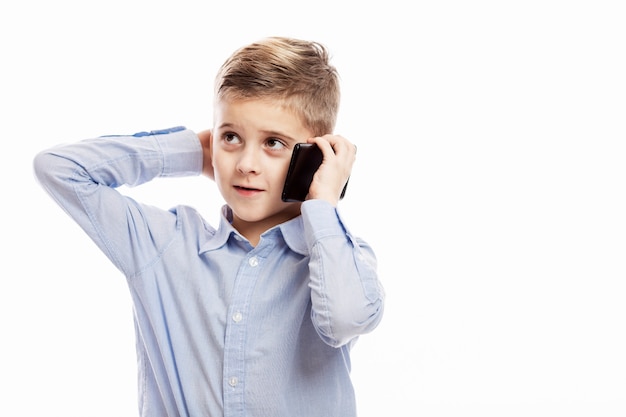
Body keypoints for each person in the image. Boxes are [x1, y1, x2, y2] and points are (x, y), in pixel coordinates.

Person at [33, 36, 385, 417]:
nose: (246, 163)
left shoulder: (338, 259)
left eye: (273, 143)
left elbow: (345, 319)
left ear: (313, 157)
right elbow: (58, 169)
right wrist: (188, 152)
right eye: (231, 137)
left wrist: (321, 205)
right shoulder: (164, 243)